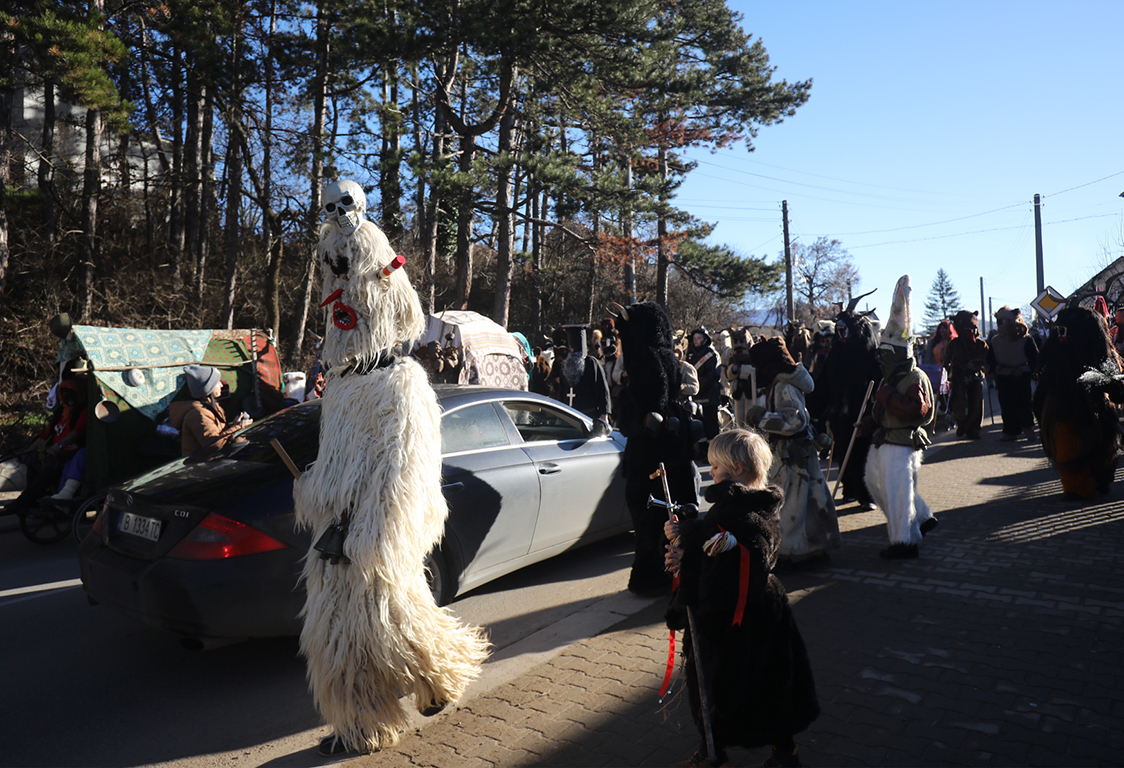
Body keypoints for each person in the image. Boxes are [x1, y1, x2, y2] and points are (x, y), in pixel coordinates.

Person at [664, 429, 820, 768]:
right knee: (770, 685)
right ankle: (784, 752)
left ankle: (712, 753)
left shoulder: (740, 513)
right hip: (763, 612)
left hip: (730, 621)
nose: (711, 474)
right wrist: (687, 542)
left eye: (715, 468)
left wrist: (691, 557)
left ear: (735, 468)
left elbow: (735, 560)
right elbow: (715, 544)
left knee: (716, 688)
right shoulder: (753, 503)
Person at [860, 275, 938, 560]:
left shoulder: (912, 377)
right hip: (885, 439)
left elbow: (917, 412)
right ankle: (922, 518)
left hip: (900, 445)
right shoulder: (890, 376)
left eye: (884, 353)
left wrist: (887, 397)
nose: (880, 358)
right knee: (875, 483)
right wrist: (869, 421)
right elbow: (883, 412)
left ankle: (903, 543)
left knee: (898, 493)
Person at [747, 337, 840, 565]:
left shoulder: (784, 386)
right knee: (804, 499)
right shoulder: (780, 383)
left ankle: (794, 552)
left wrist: (763, 418)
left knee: (792, 503)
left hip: (793, 456)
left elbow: (794, 421)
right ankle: (809, 547)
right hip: (796, 453)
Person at [6, 378, 88, 513]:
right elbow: (46, 435)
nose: (68, 396)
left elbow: (77, 433)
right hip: (55, 450)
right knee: (32, 459)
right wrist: (28, 451)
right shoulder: (61, 413)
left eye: (71, 392)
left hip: (69, 452)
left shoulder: (83, 411)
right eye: (64, 393)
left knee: (52, 464)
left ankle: (27, 499)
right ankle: (32, 497)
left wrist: (59, 446)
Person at [168, 365, 252, 456]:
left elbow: (217, 433)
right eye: (217, 382)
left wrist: (235, 425)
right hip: (200, 467)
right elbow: (214, 446)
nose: (221, 385)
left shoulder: (212, 407)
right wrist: (238, 427)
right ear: (208, 388)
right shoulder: (197, 414)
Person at [986, 306, 1038, 442]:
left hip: (1021, 373)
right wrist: (989, 369)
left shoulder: (1025, 339)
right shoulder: (995, 340)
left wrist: (1036, 371)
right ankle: (1010, 431)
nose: (1003, 325)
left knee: (1024, 402)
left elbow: (1033, 357)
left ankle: (1027, 427)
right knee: (1006, 403)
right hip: (1003, 375)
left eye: (1006, 321)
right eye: (1000, 322)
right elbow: (990, 358)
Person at [945, 310, 988, 439]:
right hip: (958, 375)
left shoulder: (980, 344)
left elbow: (986, 359)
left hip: (976, 376)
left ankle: (973, 429)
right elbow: (947, 360)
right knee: (958, 402)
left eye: (970, 328)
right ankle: (962, 424)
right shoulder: (954, 344)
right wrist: (946, 366)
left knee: (976, 403)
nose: (968, 331)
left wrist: (980, 366)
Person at [687, 328, 723, 440]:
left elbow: (714, 375)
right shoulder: (691, 354)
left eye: (698, 338)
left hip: (710, 396)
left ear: (705, 339)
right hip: (696, 395)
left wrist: (697, 386)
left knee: (711, 426)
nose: (696, 341)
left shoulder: (712, 354)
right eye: (694, 338)